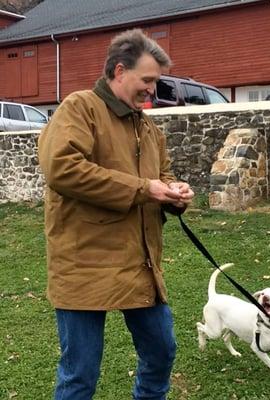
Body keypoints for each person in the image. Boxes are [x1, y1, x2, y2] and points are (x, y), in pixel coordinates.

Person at [38, 29, 194, 400]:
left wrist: (174, 194)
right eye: (147, 80)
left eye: (155, 81)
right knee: (80, 375)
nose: (152, 90)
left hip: (138, 265)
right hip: (84, 264)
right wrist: (145, 189)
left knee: (161, 352)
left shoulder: (148, 127)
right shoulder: (80, 107)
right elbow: (62, 169)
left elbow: (162, 177)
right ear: (120, 71)